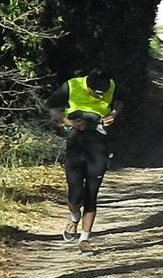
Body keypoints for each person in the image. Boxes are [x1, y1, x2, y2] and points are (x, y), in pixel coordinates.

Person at [47, 68, 124, 253]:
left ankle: (85, 238)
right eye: (96, 93)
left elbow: (120, 102)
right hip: (76, 141)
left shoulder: (111, 85)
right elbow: (51, 106)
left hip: (100, 144)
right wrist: (68, 121)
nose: (100, 96)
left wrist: (113, 115)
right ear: (88, 85)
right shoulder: (72, 86)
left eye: (103, 93)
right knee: (75, 194)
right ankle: (74, 217)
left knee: (92, 192)